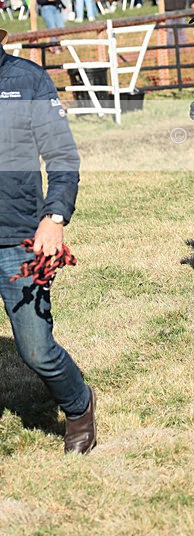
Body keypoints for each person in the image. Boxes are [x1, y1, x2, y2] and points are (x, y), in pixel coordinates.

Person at [0, 28, 96, 452]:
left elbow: (61, 156)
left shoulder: (28, 81)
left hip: (19, 237)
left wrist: (54, 218)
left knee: (36, 350)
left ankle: (78, 404)